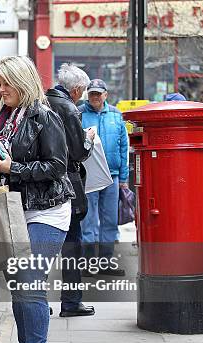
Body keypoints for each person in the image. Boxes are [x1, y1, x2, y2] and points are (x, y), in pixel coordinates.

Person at [0, 56, 75, 343]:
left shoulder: (45, 117)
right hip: (12, 209)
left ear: (22, 82)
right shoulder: (4, 116)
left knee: (28, 279)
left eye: (5, 83)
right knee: (17, 284)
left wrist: (11, 170)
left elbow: (57, 166)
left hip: (47, 210)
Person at [46, 63, 96, 317]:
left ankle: (38, 302)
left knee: (40, 245)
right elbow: (78, 152)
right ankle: (71, 301)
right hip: (67, 184)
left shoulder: (42, 101)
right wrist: (88, 138)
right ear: (76, 90)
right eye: (84, 90)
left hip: (39, 184)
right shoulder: (69, 108)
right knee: (72, 244)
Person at [79, 79, 129, 276]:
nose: (95, 97)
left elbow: (124, 147)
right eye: (92, 94)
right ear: (87, 95)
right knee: (88, 220)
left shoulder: (116, 115)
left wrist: (124, 178)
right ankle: (90, 264)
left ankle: (106, 262)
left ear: (106, 95)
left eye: (98, 94)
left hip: (113, 176)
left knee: (110, 220)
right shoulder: (79, 113)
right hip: (88, 175)